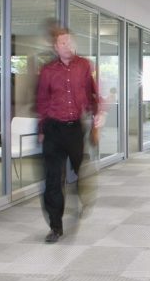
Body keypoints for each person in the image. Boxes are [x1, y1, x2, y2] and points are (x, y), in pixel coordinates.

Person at [36, 27, 102, 243]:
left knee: (80, 169)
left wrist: (97, 118)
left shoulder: (84, 66)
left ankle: (82, 193)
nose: (68, 46)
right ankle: (55, 226)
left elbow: (93, 94)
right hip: (53, 130)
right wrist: (41, 129)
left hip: (75, 129)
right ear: (56, 47)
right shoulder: (47, 71)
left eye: (70, 41)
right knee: (53, 180)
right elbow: (42, 101)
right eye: (62, 43)